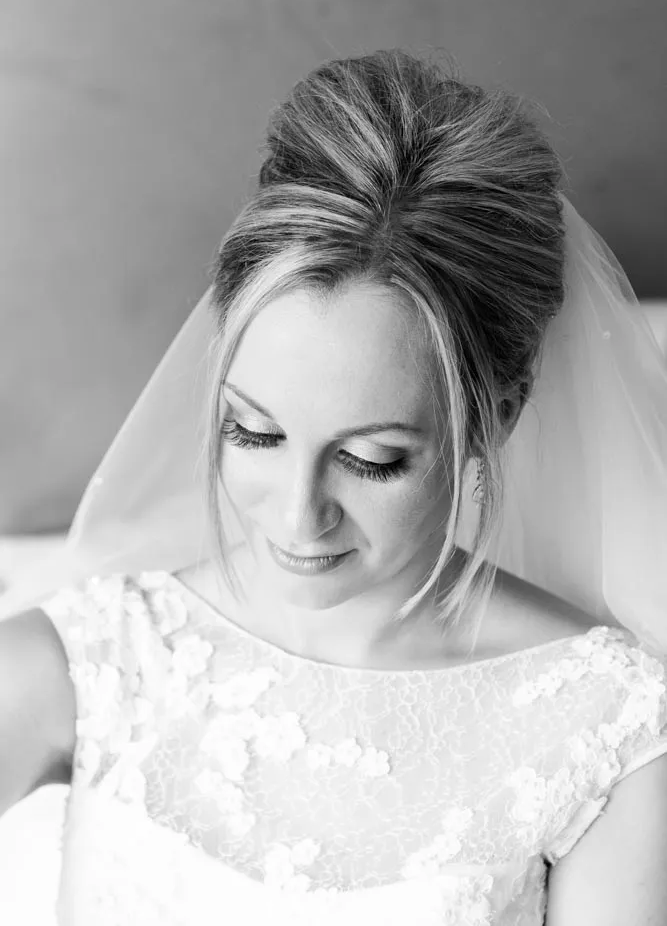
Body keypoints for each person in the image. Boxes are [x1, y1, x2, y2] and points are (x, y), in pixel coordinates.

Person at [1, 48, 667, 925]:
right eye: (255, 432)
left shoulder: (609, 730)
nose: (295, 512)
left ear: (494, 419)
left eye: (370, 460)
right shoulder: (78, 665)